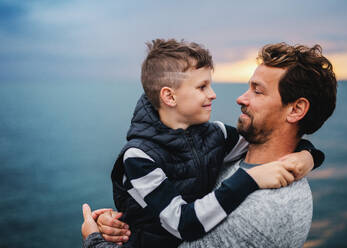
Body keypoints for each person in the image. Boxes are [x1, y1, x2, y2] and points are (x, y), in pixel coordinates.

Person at [82, 41, 328, 248]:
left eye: (258, 91)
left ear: (296, 109)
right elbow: (176, 217)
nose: (236, 97)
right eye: (202, 87)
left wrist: (93, 239)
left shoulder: (264, 210)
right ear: (169, 96)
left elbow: (185, 225)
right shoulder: (141, 156)